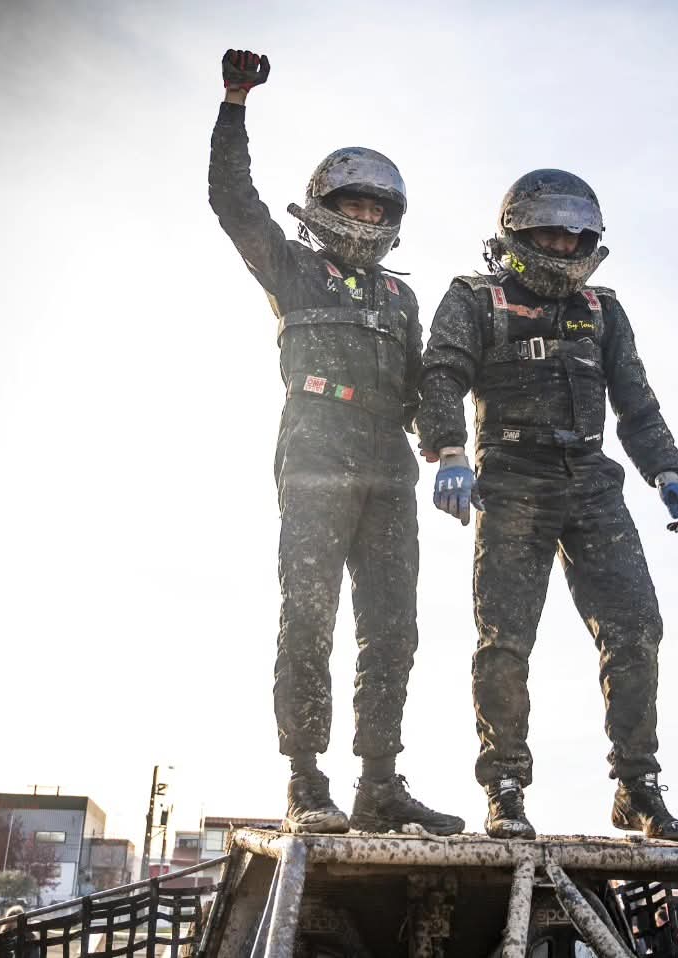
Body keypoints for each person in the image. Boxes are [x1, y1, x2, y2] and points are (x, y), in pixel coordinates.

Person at [208, 48, 462, 836]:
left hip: (389, 460)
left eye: (380, 212)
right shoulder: (289, 267)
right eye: (355, 205)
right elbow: (231, 200)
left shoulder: (401, 296)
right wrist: (234, 104)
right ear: (324, 206)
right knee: (309, 614)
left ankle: (380, 786)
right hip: (317, 447)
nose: (368, 220)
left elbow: (423, 385)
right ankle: (306, 781)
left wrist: (450, 449)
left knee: (393, 627)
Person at [417, 168, 678, 842]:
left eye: (577, 236)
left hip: (592, 480)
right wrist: (449, 453)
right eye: (550, 232)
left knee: (637, 629)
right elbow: (441, 374)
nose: (565, 245)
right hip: (513, 477)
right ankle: (505, 786)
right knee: (505, 639)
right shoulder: (476, 298)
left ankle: (637, 787)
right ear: (517, 233)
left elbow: (635, 398)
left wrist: (665, 469)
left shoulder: (603, 310)